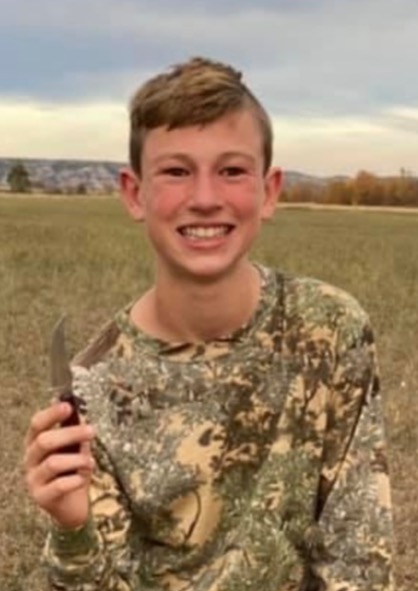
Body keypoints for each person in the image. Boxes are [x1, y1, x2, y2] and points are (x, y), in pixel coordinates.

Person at [24, 56, 394, 590]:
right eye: (176, 171)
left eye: (232, 171)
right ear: (135, 193)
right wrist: (71, 529)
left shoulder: (330, 329)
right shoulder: (92, 391)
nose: (204, 199)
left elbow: (359, 556)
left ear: (270, 191)